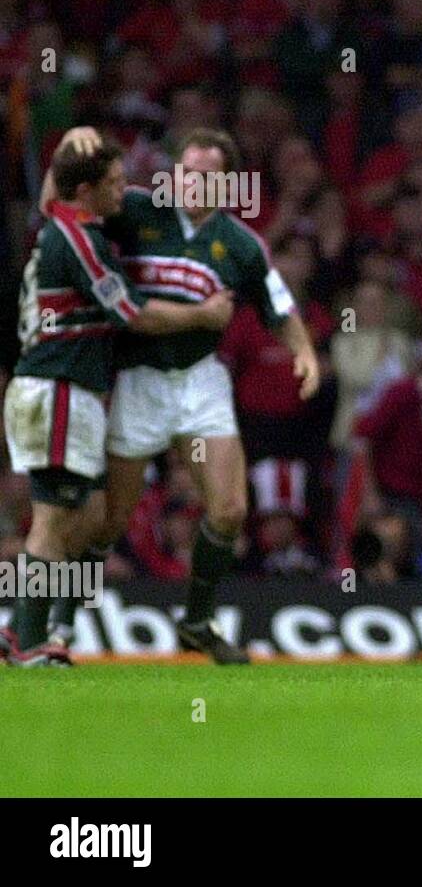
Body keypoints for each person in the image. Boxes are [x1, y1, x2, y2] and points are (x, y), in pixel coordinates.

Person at [41, 127, 321, 664]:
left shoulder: (241, 244)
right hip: (140, 378)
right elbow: (61, 199)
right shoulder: (138, 210)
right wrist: (69, 152)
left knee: (230, 510)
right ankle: (61, 626)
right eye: (185, 171)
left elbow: (277, 306)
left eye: (204, 175)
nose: (190, 183)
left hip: (200, 378)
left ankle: (195, 620)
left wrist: (303, 352)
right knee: (110, 520)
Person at [1, 133, 232, 665]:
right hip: (56, 387)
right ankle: (25, 638)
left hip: (69, 391)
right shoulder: (78, 239)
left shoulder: (71, 224)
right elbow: (132, 313)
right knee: (54, 520)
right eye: (112, 183)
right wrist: (204, 314)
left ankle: (26, 626)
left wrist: (67, 142)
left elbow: (55, 193)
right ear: (84, 189)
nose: (123, 190)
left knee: (85, 517)